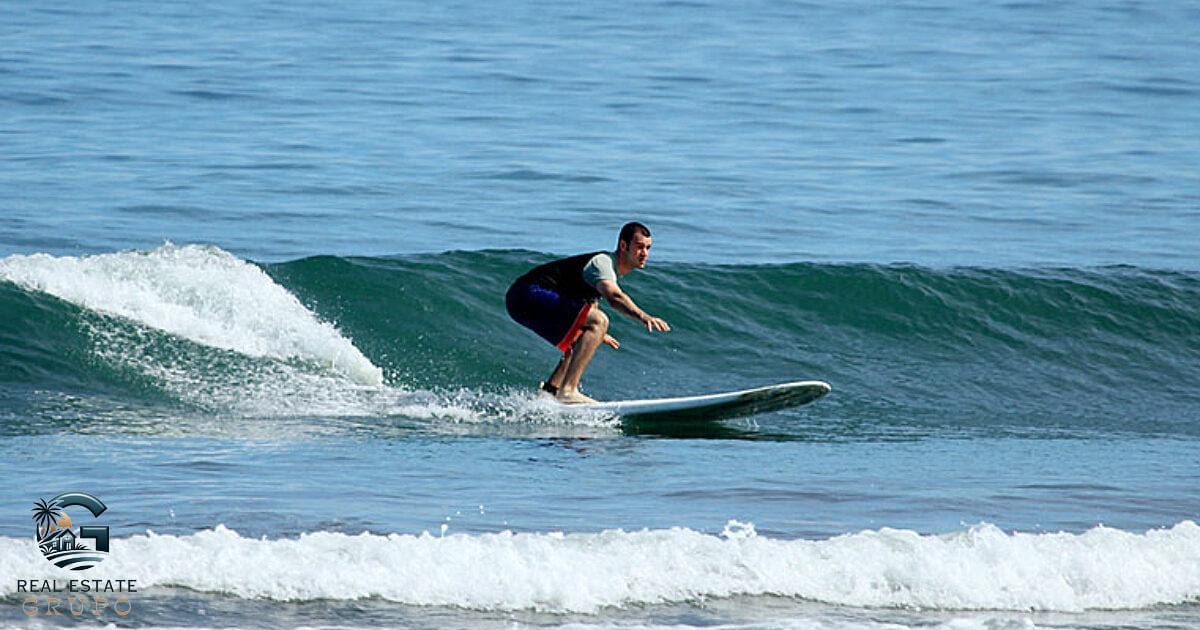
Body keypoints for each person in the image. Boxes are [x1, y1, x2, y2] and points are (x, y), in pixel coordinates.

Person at [505, 222, 671, 404]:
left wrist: (597, 335)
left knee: (583, 337)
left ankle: (550, 393)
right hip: (527, 294)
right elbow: (614, 297)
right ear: (623, 246)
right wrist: (643, 316)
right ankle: (568, 391)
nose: (645, 253)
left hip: (520, 300)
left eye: (648, 248)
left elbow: (590, 303)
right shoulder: (603, 263)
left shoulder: (606, 270)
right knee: (599, 321)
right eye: (639, 247)